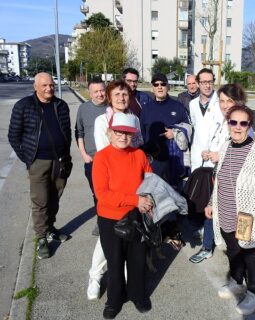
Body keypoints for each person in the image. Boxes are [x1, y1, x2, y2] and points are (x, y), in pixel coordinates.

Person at [204, 105, 255, 316]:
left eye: (243, 123)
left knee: (251, 254)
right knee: (233, 252)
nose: (237, 127)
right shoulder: (226, 146)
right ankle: (237, 281)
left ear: (249, 126)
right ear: (228, 124)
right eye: (233, 122)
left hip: (247, 217)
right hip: (224, 213)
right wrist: (211, 202)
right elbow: (218, 180)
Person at [92, 112, 153, 319]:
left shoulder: (139, 154)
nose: (123, 136)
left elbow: (150, 180)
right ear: (109, 133)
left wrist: (149, 200)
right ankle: (114, 300)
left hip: (136, 217)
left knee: (137, 259)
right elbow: (102, 194)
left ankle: (138, 295)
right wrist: (135, 200)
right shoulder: (101, 157)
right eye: (118, 132)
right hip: (110, 218)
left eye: (128, 133)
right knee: (115, 261)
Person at [87, 80, 143, 301]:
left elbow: (137, 144)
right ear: (109, 97)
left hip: (133, 189)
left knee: (129, 238)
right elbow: (107, 153)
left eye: (125, 94)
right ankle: (95, 276)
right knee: (107, 240)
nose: (121, 98)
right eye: (117, 94)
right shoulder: (102, 121)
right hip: (112, 188)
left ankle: (127, 280)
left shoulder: (135, 119)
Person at [8, 72, 71, 260]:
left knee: (54, 198)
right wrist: (29, 158)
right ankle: (41, 237)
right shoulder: (24, 106)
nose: (49, 88)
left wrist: (65, 154)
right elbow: (13, 136)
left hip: (60, 161)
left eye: (51, 85)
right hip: (38, 162)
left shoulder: (61, 105)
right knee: (40, 201)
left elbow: (66, 131)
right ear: (35, 87)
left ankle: (50, 228)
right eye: (44, 85)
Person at [188, 83, 247, 264]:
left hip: (235, 179)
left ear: (237, 101)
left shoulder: (241, 120)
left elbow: (244, 150)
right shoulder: (219, 118)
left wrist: (219, 155)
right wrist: (208, 152)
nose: (225, 105)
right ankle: (207, 247)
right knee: (209, 209)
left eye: (229, 101)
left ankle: (242, 254)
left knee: (236, 215)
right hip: (216, 172)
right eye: (222, 100)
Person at [140, 73, 191, 187]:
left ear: (167, 86)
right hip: (153, 161)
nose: (159, 87)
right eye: (156, 84)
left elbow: (188, 128)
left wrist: (175, 133)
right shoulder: (146, 109)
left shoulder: (178, 106)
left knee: (174, 195)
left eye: (163, 84)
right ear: (152, 88)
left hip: (174, 159)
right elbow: (142, 134)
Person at [75, 78, 107, 231]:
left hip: (109, 160)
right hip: (92, 160)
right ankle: (101, 220)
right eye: (96, 91)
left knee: (111, 192)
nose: (100, 94)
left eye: (102, 90)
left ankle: (110, 220)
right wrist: (83, 154)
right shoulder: (83, 109)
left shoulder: (111, 107)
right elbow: (79, 132)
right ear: (90, 93)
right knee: (97, 193)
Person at [189, 68, 224, 172]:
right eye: (204, 82)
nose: (207, 86)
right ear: (198, 84)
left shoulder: (221, 102)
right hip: (198, 156)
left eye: (210, 82)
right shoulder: (193, 104)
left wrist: (218, 152)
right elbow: (196, 128)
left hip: (214, 156)